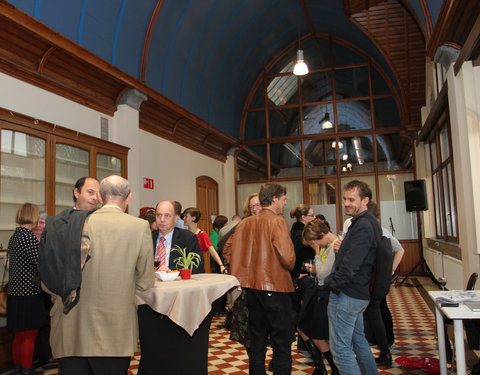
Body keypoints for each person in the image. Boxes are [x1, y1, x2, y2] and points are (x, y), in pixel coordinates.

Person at [48, 175, 155, 375]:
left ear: (100, 196)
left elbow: (50, 276)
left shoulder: (71, 223)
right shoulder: (139, 227)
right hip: (113, 330)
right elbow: (145, 281)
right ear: (129, 197)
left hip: (70, 326)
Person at [230, 183, 295, 374]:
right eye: (283, 199)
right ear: (274, 199)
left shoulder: (244, 223)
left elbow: (233, 253)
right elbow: (288, 258)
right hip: (275, 287)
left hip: (250, 289)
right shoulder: (277, 221)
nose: (285, 203)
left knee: (257, 343)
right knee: (281, 344)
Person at [324, 180, 378, 375]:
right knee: (358, 341)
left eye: (351, 199)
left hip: (348, 294)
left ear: (365, 200)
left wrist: (331, 284)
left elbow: (351, 266)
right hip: (357, 293)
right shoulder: (364, 222)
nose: (346, 203)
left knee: (340, 350)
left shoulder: (363, 225)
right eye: (345, 198)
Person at [7, 203, 48, 375]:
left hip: (14, 294)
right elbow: (40, 264)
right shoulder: (29, 238)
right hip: (29, 294)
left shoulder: (14, 237)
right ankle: (27, 369)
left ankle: (18, 368)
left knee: (19, 335)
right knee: (29, 336)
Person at [363, 201, 405, 366]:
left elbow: (400, 249)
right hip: (379, 279)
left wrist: (390, 270)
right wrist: (390, 271)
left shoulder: (379, 231)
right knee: (379, 310)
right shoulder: (383, 231)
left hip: (374, 279)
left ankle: (381, 347)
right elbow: (400, 250)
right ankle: (385, 345)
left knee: (374, 311)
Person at [300, 219, 339, 375]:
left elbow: (324, 273)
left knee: (318, 335)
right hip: (319, 291)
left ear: (321, 235)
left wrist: (316, 252)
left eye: (314, 242)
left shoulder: (333, 247)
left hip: (326, 294)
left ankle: (333, 367)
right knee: (304, 327)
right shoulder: (328, 247)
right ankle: (325, 366)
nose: (313, 245)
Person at [152, 200, 204, 273]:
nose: (162, 220)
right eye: (159, 215)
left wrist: (171, 270)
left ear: (176, 218)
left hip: (178, 282)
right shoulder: (148, 238)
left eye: (167, 216)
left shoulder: (188, 238)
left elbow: (197, 265)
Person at [183, 207, 226, 274]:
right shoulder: (183, 234)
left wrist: (221, 265)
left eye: (186, 216)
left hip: (197, 268)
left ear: (193, 218)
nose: (183, 219)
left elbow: (212, 251)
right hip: (184, 268)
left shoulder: (202, 234)